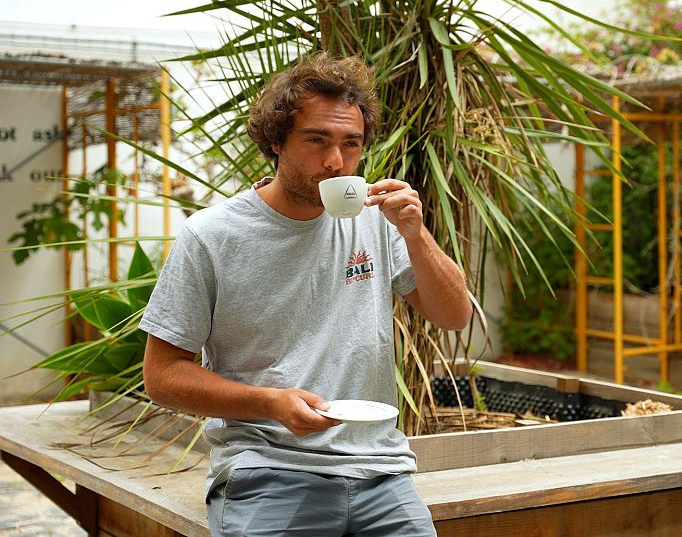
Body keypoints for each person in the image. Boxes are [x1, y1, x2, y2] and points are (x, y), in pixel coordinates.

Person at [140, 52, 472, 536]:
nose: (336, 162)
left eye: (350, 144)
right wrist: (271, 403)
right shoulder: (212, 236)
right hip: (268, 467)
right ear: (276, 141)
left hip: (378, 468)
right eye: (317, 140)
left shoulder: (378, 222)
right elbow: (163, 376)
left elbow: (454, 315)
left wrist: (416, 234)